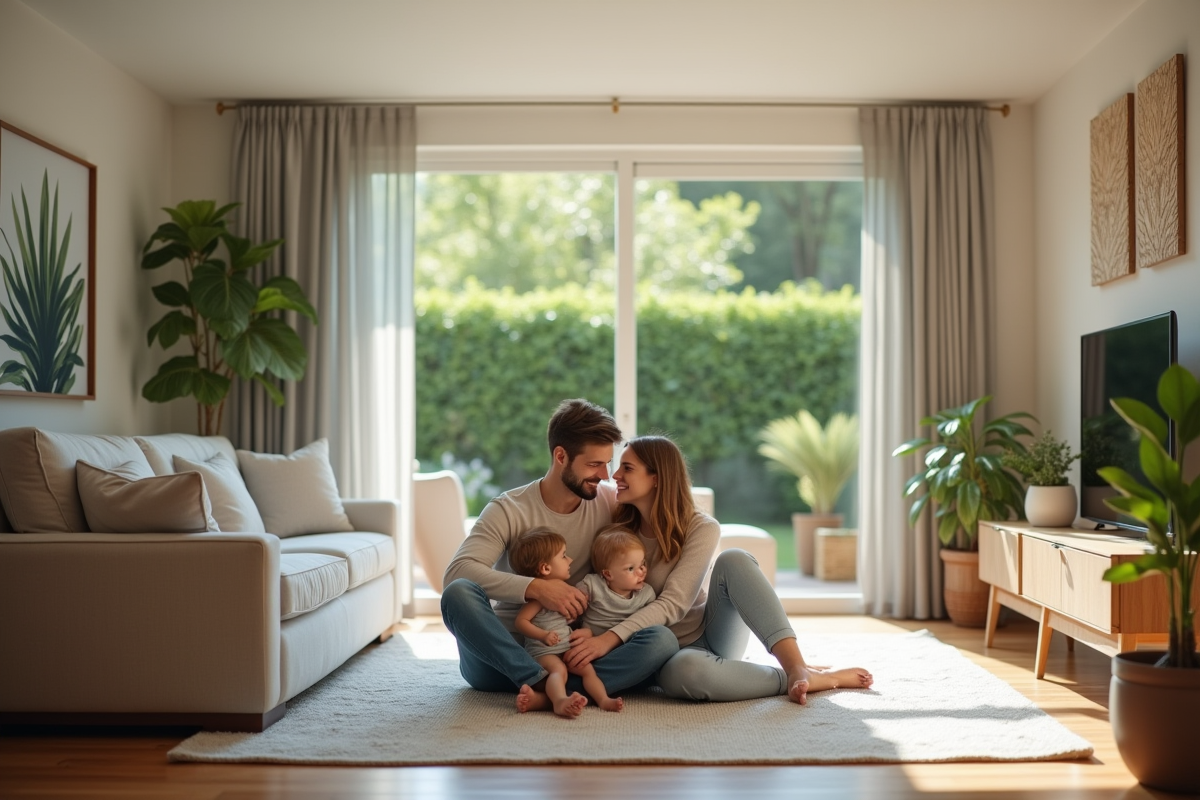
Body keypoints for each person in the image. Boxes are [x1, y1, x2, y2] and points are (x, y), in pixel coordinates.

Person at [440, 399, 678, 705]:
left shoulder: (608, 503)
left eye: (608, 463)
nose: (605, 474)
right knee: (458, 594)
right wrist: (538, 589)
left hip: (569, 654)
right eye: (594, 464)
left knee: (661, 641)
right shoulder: (508, 509)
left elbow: (661, 518)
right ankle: (544, 682)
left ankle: (549, 690)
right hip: (502, 655)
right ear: (561, 456)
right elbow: (458, 573)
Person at [608, 434, 874, 704]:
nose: (615, 474)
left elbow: (675, 603)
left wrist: (609, 638)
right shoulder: (616, 533)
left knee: (734, 559)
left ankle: (798, 669)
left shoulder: (700, 527)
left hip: (708, 635)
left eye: (627, 468)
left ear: (657, 478)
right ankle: (791, 677)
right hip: (661, 655)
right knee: (687, 672)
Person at [510, 526, 631, 716]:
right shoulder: (539, 597)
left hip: (565, 647)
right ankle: (559, 701)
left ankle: (603, 700)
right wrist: (543, 635)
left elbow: (564, 620)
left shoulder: (565, 589)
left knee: (587, 669)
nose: (571, 560)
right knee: (558, 670)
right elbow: (521, 621)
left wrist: (581, 629)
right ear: (545, 568)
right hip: (544, 651)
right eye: (564, 556)